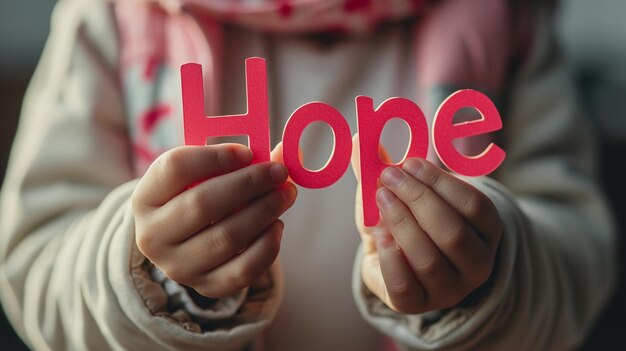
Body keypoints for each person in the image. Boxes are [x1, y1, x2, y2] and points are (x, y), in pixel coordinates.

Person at [0, 0, 616, 350]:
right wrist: (143, 274)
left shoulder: (505, 21)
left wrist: (491, 276)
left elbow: (579, 257)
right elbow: (33, 264)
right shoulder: (115, 17)